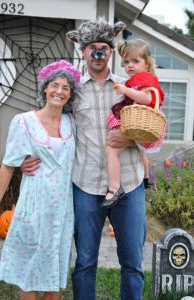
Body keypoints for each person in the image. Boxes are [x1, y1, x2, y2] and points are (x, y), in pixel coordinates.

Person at [21, 17, 146, 300]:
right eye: (92, 48)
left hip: (128, 184)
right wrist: (25, 158)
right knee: (85, 261)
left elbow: (153, 134)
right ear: (83, 50)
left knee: (133, 263)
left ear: (111, 50)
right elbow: (48, 125)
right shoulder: (72, 91)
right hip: (86, 186)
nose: (98, 52)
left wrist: (131, 139)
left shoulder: (129, 87)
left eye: (104, 47)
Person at [0, 60, 81, 300]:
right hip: (34, 207)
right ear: (44, 88)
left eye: (65, 87)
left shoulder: (71, 122)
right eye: (55, 85)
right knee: (30, 274)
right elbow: (8, 165)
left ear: (70, 94)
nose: (59, 91)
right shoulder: (24, 122)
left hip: (62, 210)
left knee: (54, 278)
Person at [102, 39, 165, 208]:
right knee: (141, 150)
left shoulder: (145, 78)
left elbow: (148, 98)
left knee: (110, 148)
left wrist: (125, 90)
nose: (129, 65)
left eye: (135, 61)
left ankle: (114, 187)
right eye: (126, 61)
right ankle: (145, 177)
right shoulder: (137, 78)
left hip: (142, 118)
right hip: (139, 119)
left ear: (147, 63)